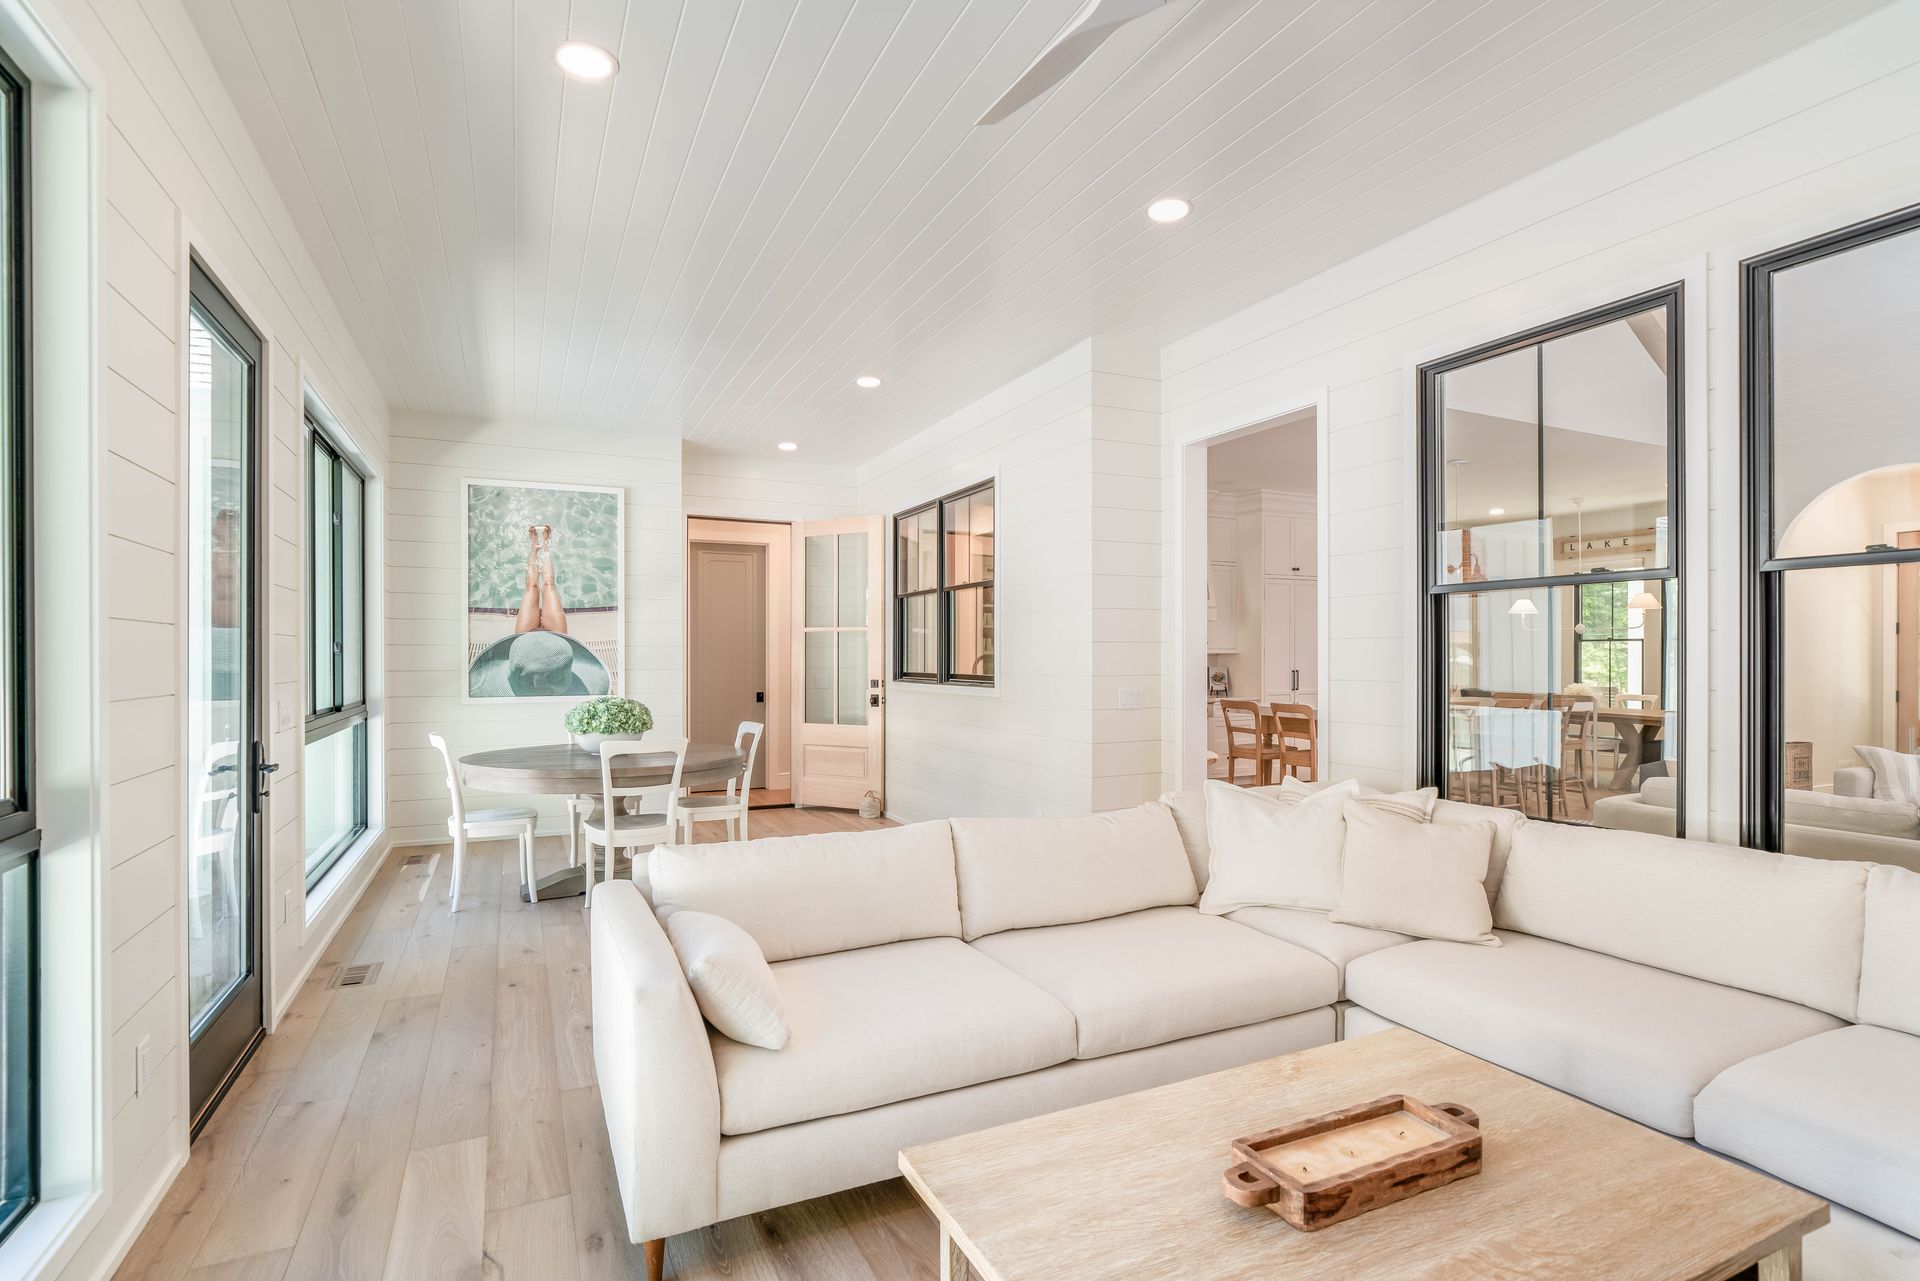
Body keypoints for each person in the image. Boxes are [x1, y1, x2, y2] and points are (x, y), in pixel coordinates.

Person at [512, 524, 568, 634]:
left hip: (525, 639)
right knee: (548, 585)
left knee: (532, 587)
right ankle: (544, 544)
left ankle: (535, 547)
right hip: (557, 639)